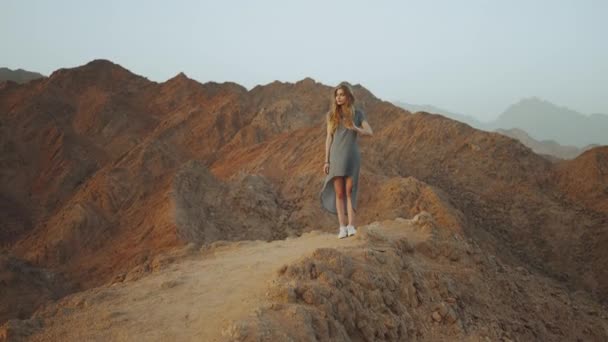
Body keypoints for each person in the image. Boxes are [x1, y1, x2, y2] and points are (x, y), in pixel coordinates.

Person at [320, 83, 373, 239]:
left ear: (349, 96)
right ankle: (342, 227)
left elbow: (370, 132)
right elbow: (329, 138)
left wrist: (356, 128)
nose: (339, 97)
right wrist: (326, 161)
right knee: (340, 193)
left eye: (342, 94)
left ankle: (351, 226)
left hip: (352, 157)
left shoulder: (358, 114)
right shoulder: (331, 115)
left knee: (350, 191)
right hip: (336, 156)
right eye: (337, 95)